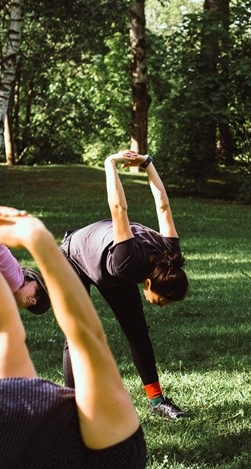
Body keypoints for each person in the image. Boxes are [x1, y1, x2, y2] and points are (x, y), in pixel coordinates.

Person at [0, 206, 146, 469]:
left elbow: (85, 337)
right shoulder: (106, 468)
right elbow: (1, 337)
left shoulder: (115, 462)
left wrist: (40, 241)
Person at [60, 150, 189, 419]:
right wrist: (110, 163)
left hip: (107, 263)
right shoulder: (128, 262)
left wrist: (148, 163)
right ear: (149, 282)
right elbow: (119, 208)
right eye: (163, 299)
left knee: (138, 332)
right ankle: (69, 408)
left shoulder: (169, 253)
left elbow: (164, 206)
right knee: (77, 332)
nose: (162, 306)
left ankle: (157, 402)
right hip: (74, 255)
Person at [0, 238, 50, 314]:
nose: (33, 301)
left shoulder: (2, 295)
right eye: (36, 292)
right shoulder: (15, 280)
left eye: (32, 306)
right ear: (29, 279)